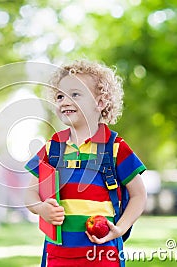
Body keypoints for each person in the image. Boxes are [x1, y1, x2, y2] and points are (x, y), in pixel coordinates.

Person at [24, 60, 147, 267]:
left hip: (103, 253)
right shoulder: (52, 148)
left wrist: (121, 228)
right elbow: (29, 193)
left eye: (75, 94)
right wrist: (41, 208)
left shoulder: (115, 147)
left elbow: (139, 195)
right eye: (60, 96)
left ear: (100, 102)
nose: (64, 101)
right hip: (59, 254)